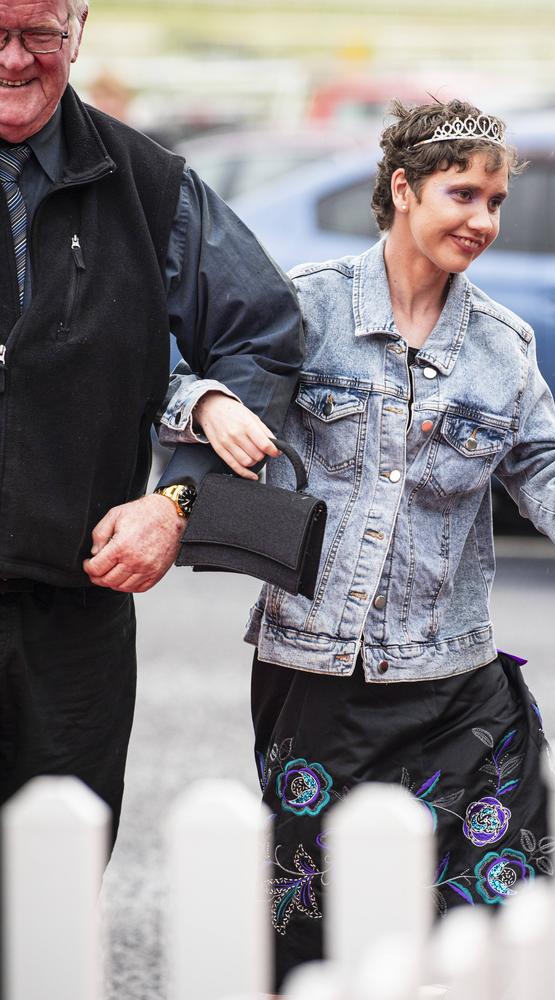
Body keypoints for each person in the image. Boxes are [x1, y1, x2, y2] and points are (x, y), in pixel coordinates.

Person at [164, 98, 555, 989]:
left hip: (454, 682)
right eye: (464, 194)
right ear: (402, 189)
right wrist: (210, 404)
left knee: (501, 902)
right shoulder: (302, 307)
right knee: (307, 918)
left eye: (495, 202)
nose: (484, 221)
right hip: (314, 671)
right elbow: (170, 359)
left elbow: (541, 463)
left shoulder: (504, 346)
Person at [0, 0, 302, 845]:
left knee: (50, 892)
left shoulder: (149, 184)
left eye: (41, 35)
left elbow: (266, 341)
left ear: (80, 28)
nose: (17, 60)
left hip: (76, 616)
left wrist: (177, 504)